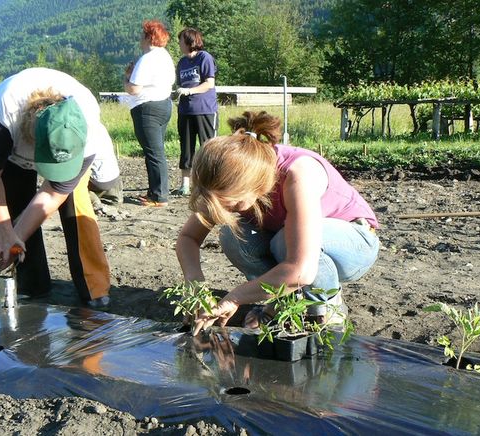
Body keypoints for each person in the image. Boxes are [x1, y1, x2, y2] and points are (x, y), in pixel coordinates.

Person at [175, 111, 380, 335]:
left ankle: (325, 308)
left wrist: (236, 297)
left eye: (231, 204)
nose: (223, 210)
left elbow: (302, 270)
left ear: (253, 184)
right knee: (232, 236)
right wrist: (195, 286)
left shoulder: (298, 174)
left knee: (284, 242)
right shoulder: (222, 179)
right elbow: (188, 238)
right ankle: (282, 302)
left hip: (354, 244)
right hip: (291, 243)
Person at [0, 67, 111, 308]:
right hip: (15, 153)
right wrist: (6, 232)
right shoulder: (6, 115)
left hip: (72, 151)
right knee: (14, 206)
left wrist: (15, 234)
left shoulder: (89, 132)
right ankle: (33, 286)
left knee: (76, 211)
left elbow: (53, 192)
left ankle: (93, 289)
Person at [123, 19, 175, 207]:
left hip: (147, 108)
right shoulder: (165, 56)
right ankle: (155, 191)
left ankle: (159, 195)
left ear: (148, 37)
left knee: (154, 153)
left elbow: (134, 89)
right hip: (164, 105)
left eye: (142, 35)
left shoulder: (147, 59)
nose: (139, 38)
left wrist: (127, 77)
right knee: (155, 151)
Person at [173, 28, 218, 196]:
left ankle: (211, 184)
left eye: (180, 41)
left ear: (190, 42)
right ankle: (185, 184)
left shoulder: (204, 57)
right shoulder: (182, 62)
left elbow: (209, 83)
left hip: (204, 109)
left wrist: (189, 91)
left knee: (208, 147)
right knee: (186, 148)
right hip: (185, 111)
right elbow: (180, 85)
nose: (179, 44)